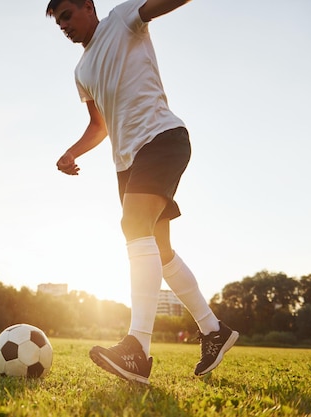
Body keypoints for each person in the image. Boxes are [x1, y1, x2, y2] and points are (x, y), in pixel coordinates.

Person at [45, 0, 239, 384]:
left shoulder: (122, 19)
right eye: (58, 22)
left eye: (67, 15)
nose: (64, 26)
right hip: (127, 163)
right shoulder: (81, 71)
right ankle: (213, 329)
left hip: (162, 139)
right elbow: (98, 126)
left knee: (132, 225)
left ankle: (138, 348)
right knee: (160, 252)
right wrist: (71, 151)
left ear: (88, 6)